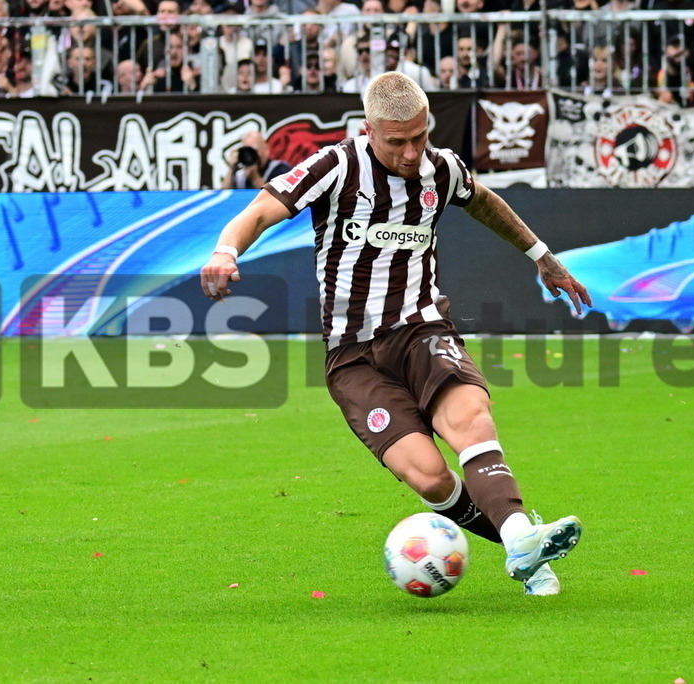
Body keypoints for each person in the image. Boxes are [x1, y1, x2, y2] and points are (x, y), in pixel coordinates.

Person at [200, 72, 588, 596]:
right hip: (353, 355)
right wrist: (226, 251)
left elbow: (484, 201)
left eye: (419, 136)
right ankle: (521, 545)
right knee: (429, 477)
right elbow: (261, 211)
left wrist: (542, 256)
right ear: (368, 129)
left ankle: (522, 537)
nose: (411, 152)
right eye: (397, 141)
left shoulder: (441, 168)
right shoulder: (336, 166)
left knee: (471, 419)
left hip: (421, 328)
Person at [221, 130, 293, 189]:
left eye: (254, 150)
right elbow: (224, 194)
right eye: (248, 150)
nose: (250, 155)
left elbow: (276, 198)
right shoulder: (241, 175)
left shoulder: (280, 169)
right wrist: (231, 168)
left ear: (266, 150)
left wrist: (255, 177)